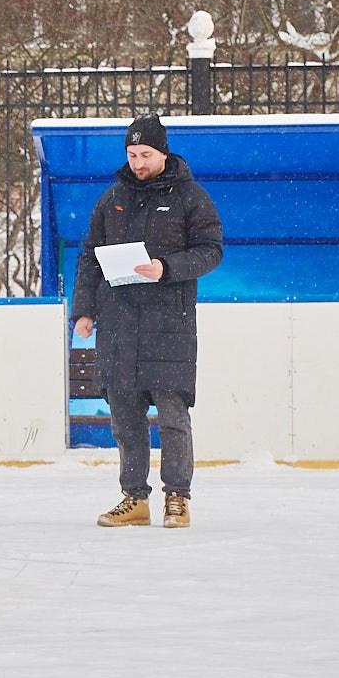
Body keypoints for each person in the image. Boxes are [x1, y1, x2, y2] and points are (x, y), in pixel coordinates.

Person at [69, 114, 224, 529]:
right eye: (132, 154)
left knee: (173, 417)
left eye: (146, 154)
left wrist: (166, 267)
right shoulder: (111, 199)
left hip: (169, 326)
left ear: (163, 152)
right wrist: (83, 310)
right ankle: (134, 499)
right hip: (118, 328)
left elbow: (211, 251)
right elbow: (89, 257)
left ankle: (178, 498)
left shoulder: (191, 198)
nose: (138, 163)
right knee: (125, 421)